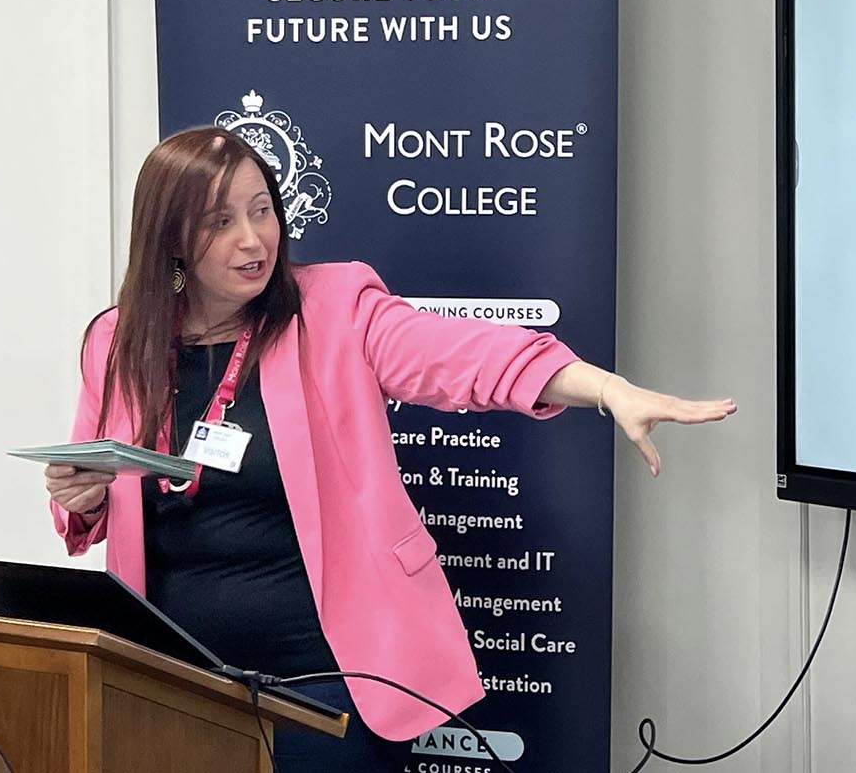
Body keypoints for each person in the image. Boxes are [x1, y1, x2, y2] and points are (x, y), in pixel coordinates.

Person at [42, 128, 734, 770]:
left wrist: (605, 389)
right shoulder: (116, 340)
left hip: (324, 681)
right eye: (220, 222)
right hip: (172, 679)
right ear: (169, 241)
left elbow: (463, 355)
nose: (254, 239)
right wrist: (84, 496)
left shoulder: (335, 307)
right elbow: (94, 492)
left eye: (262, 211)